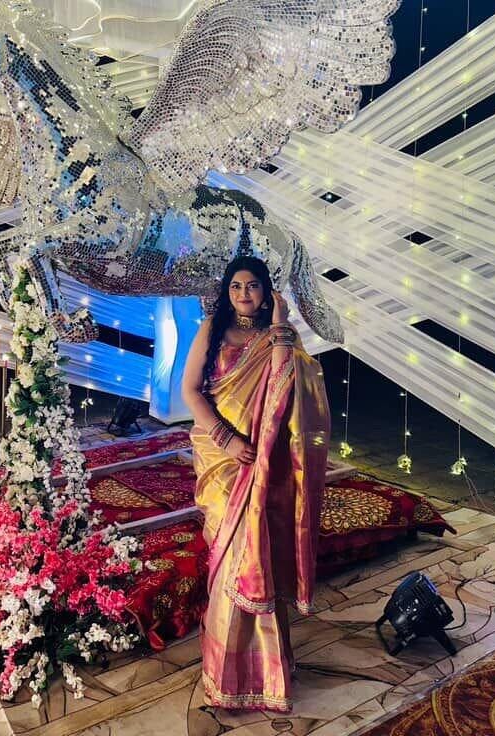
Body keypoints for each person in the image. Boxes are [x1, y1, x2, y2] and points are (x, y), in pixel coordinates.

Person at [181, 255, 331, 712]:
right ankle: (226, 673)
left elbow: (292, 394)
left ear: (266, 291)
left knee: (257, 554)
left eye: (252, 286)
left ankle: (266, 673)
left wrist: (281, 323)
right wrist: (226, 439)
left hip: (263, 464)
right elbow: (190, 391)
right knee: (230, 558)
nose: (243, 294)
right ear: (226, 292)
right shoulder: (212, 329)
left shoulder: (279, 336)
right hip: (223, 460)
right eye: (236, 286)